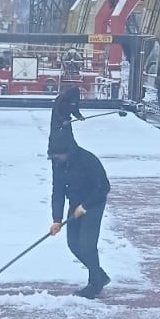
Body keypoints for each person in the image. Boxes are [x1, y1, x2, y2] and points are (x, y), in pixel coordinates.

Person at [48, 130, 111, 298]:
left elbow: (104, 187)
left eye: (58, 156)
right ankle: (99, 275)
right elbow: (58, 191)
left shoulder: (87, 160)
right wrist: (56, 219)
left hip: (94, 202)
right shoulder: (58, 162)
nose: (56, 159)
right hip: (75, 203)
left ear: (68, 152)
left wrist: (85, 206)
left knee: (87, 245)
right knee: (73, 243)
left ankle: (94, 284)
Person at [48, 85, 84, 156]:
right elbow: (57, 111)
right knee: (55, 136)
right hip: (57, 120)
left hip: (67, 120)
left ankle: (73, 150)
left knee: (69, 135)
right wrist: (62, 121)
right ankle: (51, 152)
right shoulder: (61, 99)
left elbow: (75, 110)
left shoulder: (75, 100)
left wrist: (79, 116)